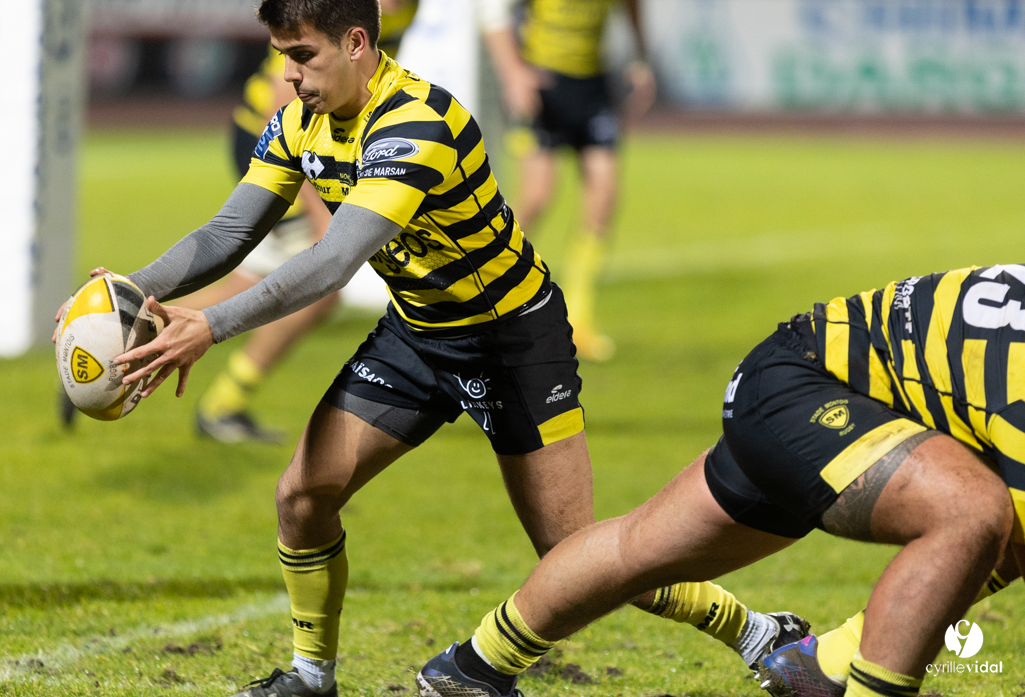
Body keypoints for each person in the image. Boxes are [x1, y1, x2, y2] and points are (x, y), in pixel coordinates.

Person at [60, 0, 803, 697]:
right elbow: (229, 233)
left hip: (512, 340)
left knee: (574, 555)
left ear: (356, 43)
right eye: (282, 56)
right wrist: (127, 290)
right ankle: (312, 677)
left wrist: (210, 325)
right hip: (418, 335)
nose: (289, 75)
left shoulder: (416, 124)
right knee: (302, 496)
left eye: (303, 56)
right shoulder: (296, 123)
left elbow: (333, 261)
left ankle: (756, 631)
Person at [417, 263, 1025, 697]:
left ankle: (472, 668)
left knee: (637, 548)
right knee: (972, 511)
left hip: (803, 385)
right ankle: (832, 665)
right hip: (808, 390)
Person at [179, 0, 422, 444]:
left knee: (262, 280)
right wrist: (321, 212)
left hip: (316, 138)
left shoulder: (406, 5)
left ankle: (129, 329)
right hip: (272, 135)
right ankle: (210, 393)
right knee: (315, 283)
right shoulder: (328, 6)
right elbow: (283, 101)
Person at [479, 0, 656, 363]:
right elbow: (491, 5)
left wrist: (640, 56)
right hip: (545, 86)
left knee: (604, 197)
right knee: (537, 198)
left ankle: (579, 319)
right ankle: (486, 301)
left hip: (593, 86)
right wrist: (514, 74)